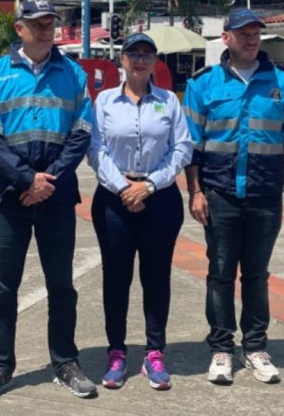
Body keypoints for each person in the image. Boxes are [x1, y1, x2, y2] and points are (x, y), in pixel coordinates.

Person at [0, 0, 97, 406]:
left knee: (61, 284)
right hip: (9, 196)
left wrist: (49, 180)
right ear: (19, 28)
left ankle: (65, 361)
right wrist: (27, 179)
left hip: (56, 196)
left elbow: (81, 132)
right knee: (3, 286)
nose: (45, 30)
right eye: (36, 23)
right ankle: (0, 364)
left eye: (50, 23)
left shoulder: (74, 75)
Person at [183, 8, 284, 386]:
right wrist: (196, 192)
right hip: (219, 194)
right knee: (220, 273)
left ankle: (255, 348)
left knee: (256, 275)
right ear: (226, 38)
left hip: (265, 195)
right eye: (243, 33)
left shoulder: (282, 84)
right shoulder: (203, 84)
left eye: (256, 33)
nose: (251, 39)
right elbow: (193, 147)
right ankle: (222, 348)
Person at [89, 33, 192, 391]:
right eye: (133, 53)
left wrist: (148, 186)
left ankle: (154, 351)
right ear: (122, 59)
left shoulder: (168, 102)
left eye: (147, 54)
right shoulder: (103, 101)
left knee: (156, 276)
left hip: (159, 198)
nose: (140, 60)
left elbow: (182, 148)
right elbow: (95, 150)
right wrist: (123, 187)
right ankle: (116, 351)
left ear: (155, 61)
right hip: (113, 200)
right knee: (116, 278)